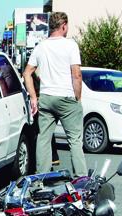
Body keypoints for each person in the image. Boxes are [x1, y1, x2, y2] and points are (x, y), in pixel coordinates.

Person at [23, 11, 87, 177]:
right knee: (74, 140)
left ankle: (40, 180)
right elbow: (76, 74)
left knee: (44, 139)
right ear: (64, 26)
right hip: (66, 98)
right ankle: (80, 179)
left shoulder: (41, 46)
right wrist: (77, 99)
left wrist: (34, 98)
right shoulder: (71, 45)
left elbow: (27, 73)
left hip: (47, 98)